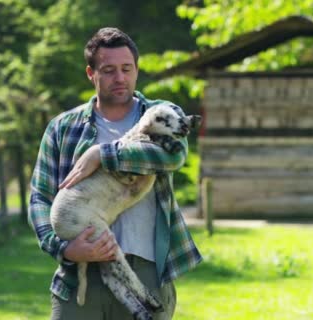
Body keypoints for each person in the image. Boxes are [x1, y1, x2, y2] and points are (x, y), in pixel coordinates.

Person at [28, 27, 202, 320]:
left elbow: (174, 155)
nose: (120, 78)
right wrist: (65, 249)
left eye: (126, 68)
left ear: (137, 69)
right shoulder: (62, 127)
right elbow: (39, 198)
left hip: (147, 270)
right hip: (79, 275)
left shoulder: (161, 114)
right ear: (90, 73)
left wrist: (101, 154)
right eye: (108, 70)